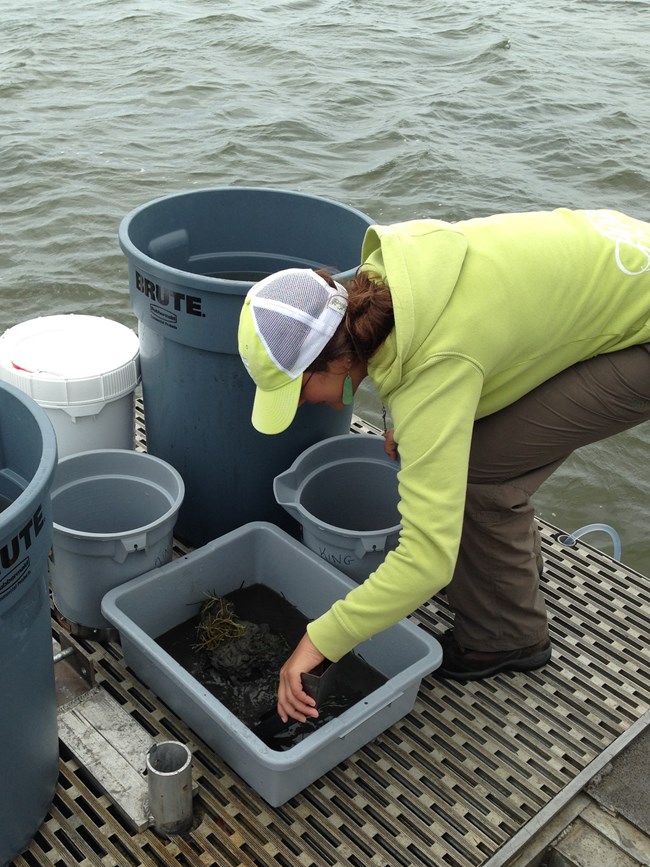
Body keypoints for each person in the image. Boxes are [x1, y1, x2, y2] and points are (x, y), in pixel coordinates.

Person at [237, 207, 650, 724]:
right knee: (457, 446)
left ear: (337, 360)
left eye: (298, 392)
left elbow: (428, 560)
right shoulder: (390, 281)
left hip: (642, 331)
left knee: (478, 476)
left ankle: (508, 638)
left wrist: (317, 641)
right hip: (620, 258)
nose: (301, 406)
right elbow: (459, 349)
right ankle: (499, 575)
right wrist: (419, 417)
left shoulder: (436, 366)